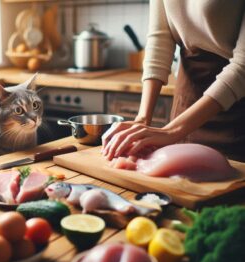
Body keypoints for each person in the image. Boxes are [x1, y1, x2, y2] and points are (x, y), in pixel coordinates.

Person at [102, 0, 245, 162]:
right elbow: (160, 38)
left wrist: (171, 131)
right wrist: (141, 119)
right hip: (188, 93)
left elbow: (243, 66)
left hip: (236, 101)